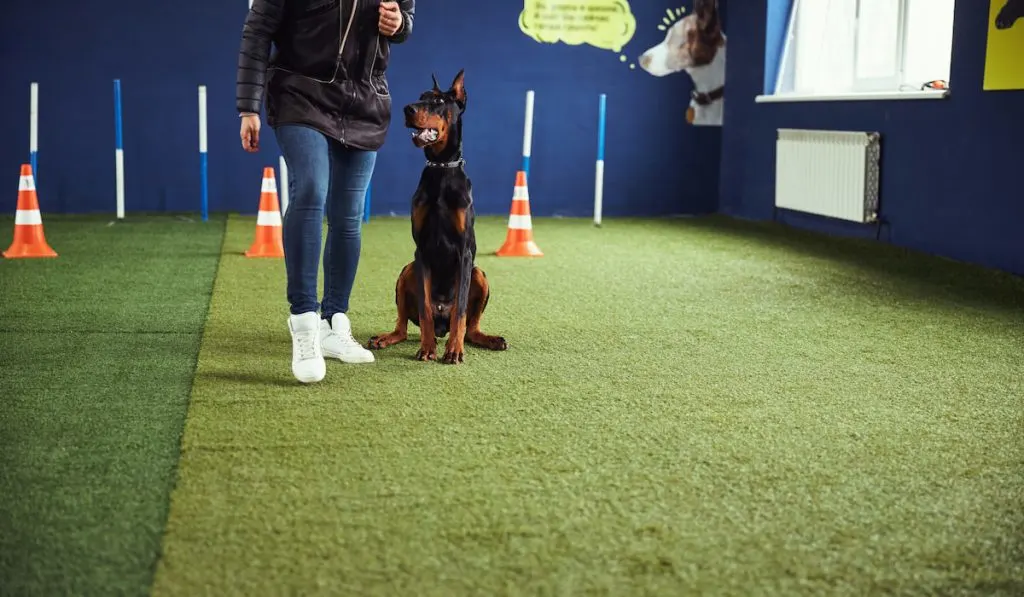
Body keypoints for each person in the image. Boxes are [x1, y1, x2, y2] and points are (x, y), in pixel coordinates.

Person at [236, 0, 415, 383]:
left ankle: (335, 322)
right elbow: (257, 32)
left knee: (348, 214)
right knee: (311, 191)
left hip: (364, 101)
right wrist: (247, 107)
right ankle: (304, 324)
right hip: (300, 94)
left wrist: (399, 23)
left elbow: (406, 20)